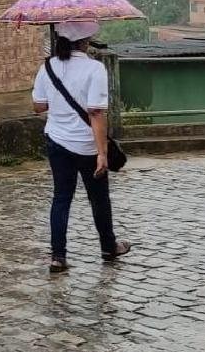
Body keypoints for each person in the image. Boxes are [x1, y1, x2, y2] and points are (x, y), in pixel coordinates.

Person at [32, 22, 131, 273]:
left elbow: (38, 106)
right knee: (98, 198)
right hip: (87, 146)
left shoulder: (47, 67)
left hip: (57, 141)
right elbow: (96, 113)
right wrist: (102, 153)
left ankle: (58, 256)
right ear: (86, 42)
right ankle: (109, 247)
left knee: (61, 198)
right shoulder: (95, 69)